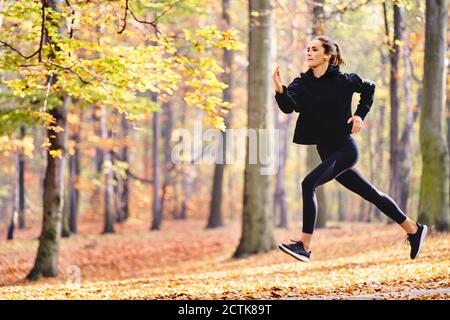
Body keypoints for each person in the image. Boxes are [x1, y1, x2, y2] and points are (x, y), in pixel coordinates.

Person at [272, 35, 427, 263]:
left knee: (308, 184)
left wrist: (359, 115)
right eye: (307, 49)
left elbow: (369, 89)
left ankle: (304, 245)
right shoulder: (302, 83)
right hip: (326, 151)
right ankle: (414, 229)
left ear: (327, 55)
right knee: (370, 193)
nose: (309, 53)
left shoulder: (343, 81)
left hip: (345, 150)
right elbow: (288, 107)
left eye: (314, 49)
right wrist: (279, 89)